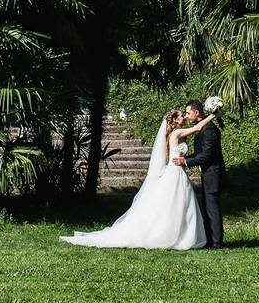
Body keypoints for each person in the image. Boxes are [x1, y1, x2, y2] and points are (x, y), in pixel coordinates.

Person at [59, 108, 217, 249]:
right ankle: (173, 236)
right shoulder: (176, 133)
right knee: (176, 204)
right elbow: (197, 128)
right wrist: (213, 115)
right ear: (175, 120)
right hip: (175, 173)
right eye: (182, 116)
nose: (184, 117)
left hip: (177, 172)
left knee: (178, 205)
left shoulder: (176, 133)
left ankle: (181, 234)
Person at [172, 99, 226, 249]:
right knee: (208, 208)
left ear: (196, 113)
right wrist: (185, 159)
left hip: (213, 175)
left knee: (213, 209)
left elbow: (206, 156)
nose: (188, 116)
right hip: (207, 175)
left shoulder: (209, 130)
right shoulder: (202, 128)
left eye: (188, 113)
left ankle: (216, 243)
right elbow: (199, 153)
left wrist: (185, 162)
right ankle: (209, 240)